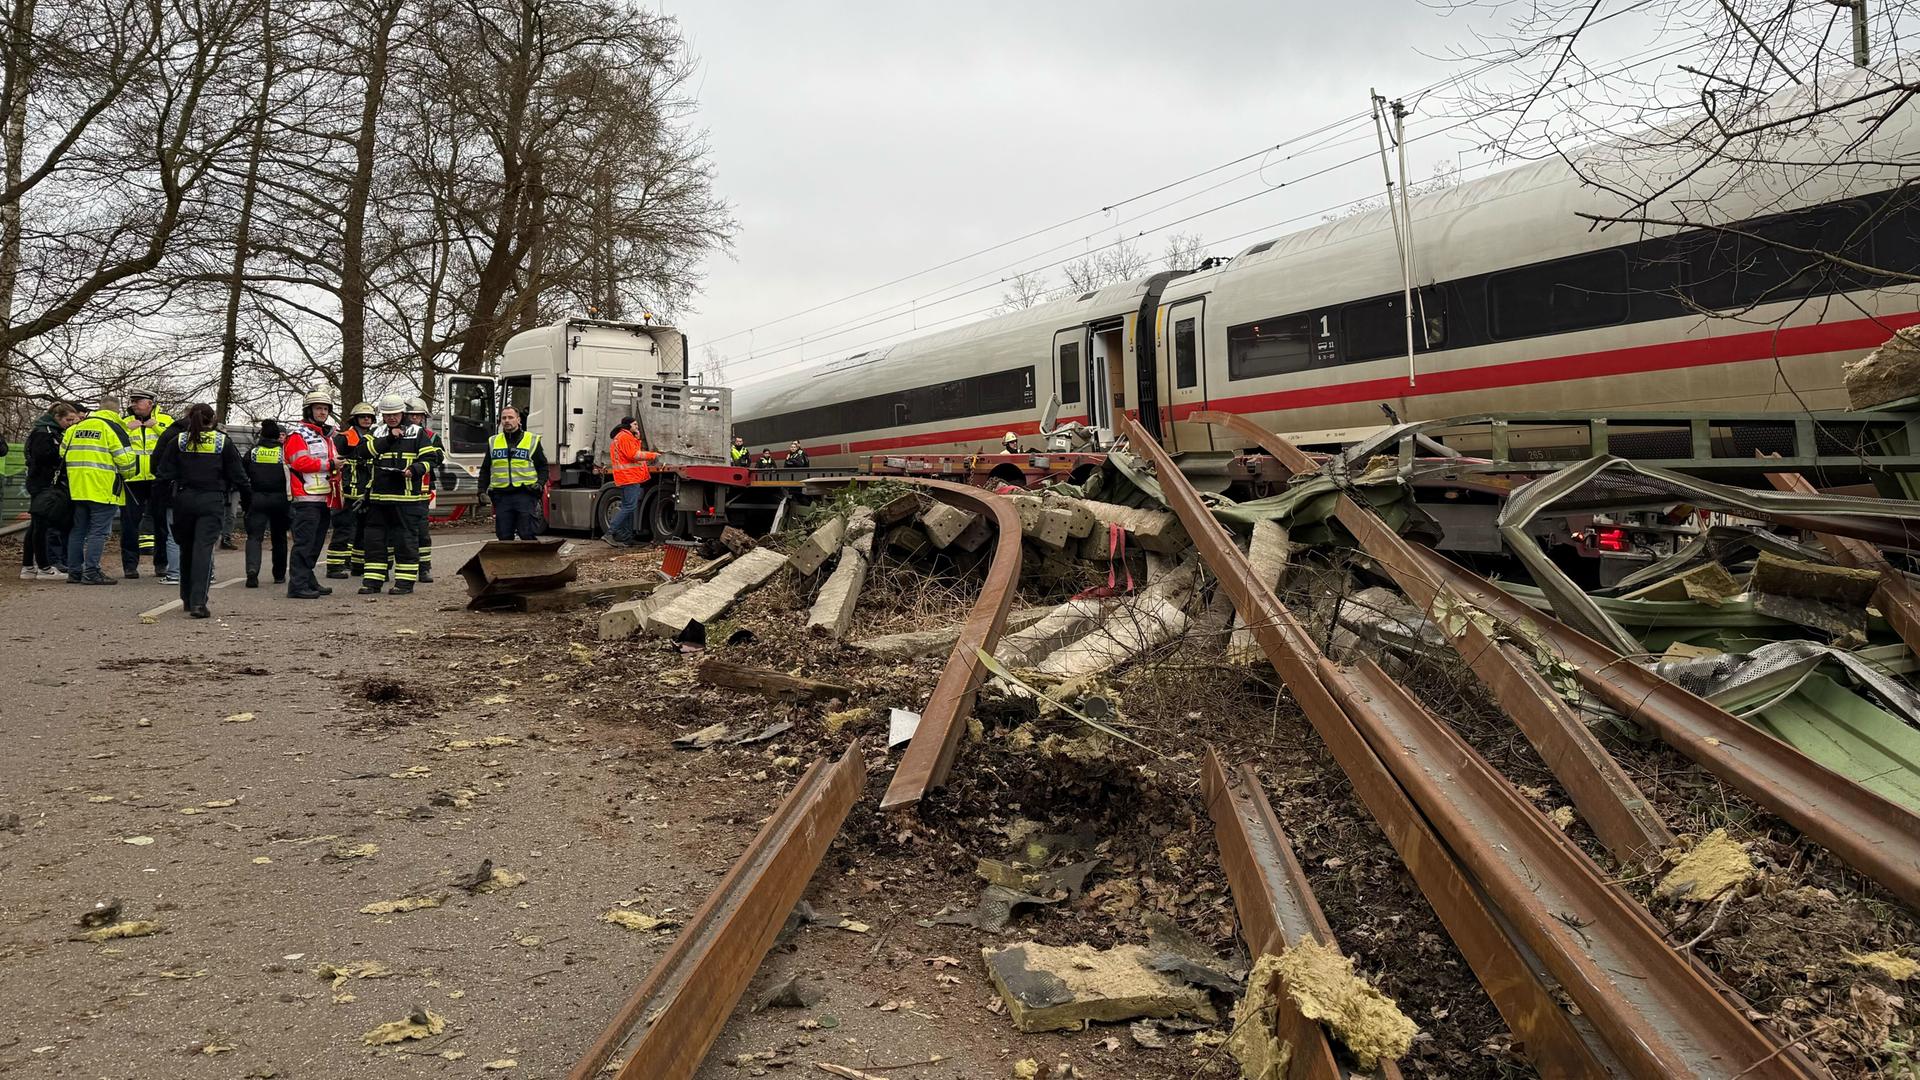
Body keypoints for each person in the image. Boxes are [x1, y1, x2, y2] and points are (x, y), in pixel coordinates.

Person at [155, 404, 249, 618]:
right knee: (203, 550)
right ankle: (199, 602)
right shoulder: (222, 441)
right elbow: (238, 475)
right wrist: (248, 500)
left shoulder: (177, 441)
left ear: (189, 417)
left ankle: (187, 599)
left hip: (183, 499)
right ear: (213, 419)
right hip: (211, 499)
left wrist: (161, 502)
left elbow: (162, 474)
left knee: (186, 549)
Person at [62, 396, 139, 584]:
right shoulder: (113, 428)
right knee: (99, 532)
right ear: (117, 411)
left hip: (77, 488)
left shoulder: (74, 428)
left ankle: (74, 572)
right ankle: (91, 572)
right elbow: (127, 461)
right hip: (103, 488)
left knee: (78, 530)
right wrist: (128, 475)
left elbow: (62, 453)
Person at [360, 395, 429, 595]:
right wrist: (389, 439)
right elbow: (362, 452)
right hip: (378, 499)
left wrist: (415, 469)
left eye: (395, 414)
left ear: (403, 413)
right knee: (374, 542)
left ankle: (404, 583)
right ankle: (372, 582)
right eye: (387, 414)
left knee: (405, 542)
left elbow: (430, 458)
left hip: (406, 500)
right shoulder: (376, 431)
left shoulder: (417, 432)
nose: (391, 418)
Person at [283, 390, 340, 599]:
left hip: (324, 497)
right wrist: (331, 464)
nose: (322, 412)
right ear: (309, 410)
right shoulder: (298, 434)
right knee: (305, 543)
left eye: (325, 409)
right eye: (318, 408)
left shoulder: (326, 436)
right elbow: (299, 462)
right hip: (304, 498)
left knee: (315, 543)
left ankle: (308, 578)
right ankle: (297, 585)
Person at [119, 388, 177, 582]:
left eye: (138, 401)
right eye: (132, 401)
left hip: (158, 479)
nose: (133, 404)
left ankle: (161, 564)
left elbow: (175, 440)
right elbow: (114, 444)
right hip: (132, 480)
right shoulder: (125, 423)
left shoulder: (166, 421)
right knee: (129, 524)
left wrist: (156, 427)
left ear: (150, 403)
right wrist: (129, 429)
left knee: (161, 523)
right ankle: (129, 566)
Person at [21, 402, 80, 580]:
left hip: (42, 483)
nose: (71, 423)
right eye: (68, 420)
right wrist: (60, 454)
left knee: (35, 527)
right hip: (43, 484)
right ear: (57, 418)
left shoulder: (48, 431)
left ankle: (29, 566)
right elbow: (42, 457)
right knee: (41, 527)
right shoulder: (44, 433)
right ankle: (44, 567)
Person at [478, 406, 547, 541]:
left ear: (518, 420)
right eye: (504, 418)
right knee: (504, 535)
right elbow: (486, 468)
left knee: (527, 533)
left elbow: (543, 467)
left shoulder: (531, 440)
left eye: (510, 417)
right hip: (502, 496)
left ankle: (531, 562)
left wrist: (539, 484)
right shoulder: (493, 441)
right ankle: (508, 563)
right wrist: (481, 490)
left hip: (525, 494)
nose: (507, 421)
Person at [328, 402, 376, 577]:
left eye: (369, 417)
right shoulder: (343, 438)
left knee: (364, 529)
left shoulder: (375, 437)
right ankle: (334, 566)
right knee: (343, 528)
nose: (366, 419)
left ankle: (358, 565)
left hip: (367, 492)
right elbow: (334, 461)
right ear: (354, 419)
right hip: (346, 491)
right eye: (363, 416)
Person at [242, 419, 290, 588]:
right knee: (279, 538)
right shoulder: (284, 453)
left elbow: (243, 475)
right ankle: (279, 574)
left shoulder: (253, 452)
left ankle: (252, 571)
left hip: (258, 499)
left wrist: (247, 500)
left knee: (254, 537)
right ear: (278, 436)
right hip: (281, 500)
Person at [403, 397, 443, 583]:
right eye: (411, 415)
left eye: (418, 416)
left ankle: (424, 568)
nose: (414, 419)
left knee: (421, 530)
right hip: (399, 488)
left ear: (423, 417)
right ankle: (385, 568)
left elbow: (439, 457)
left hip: (423, 489)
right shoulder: (397, 434)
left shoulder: (432, 437)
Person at [603, 415, 658, 546]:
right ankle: (610, 533)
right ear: (628, 426)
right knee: (629, 507)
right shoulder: (625, 437)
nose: (637, 427)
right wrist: (653, 455)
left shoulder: (620, 437)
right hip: (630, 477)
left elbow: (631, 452)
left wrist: (637, 438)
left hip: (625, 477)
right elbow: (634, 455)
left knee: (628, 507)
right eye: (635, 425)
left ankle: (626, 538)